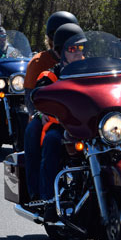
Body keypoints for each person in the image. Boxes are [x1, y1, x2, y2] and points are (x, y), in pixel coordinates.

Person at [29, 23, 86, 221]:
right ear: (61, 53)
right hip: (62, 127)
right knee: (52, 140)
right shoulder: (51, 75)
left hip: (90, 127)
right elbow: (39, 93)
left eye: (80, 48)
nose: (78, 53)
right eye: (72, 49)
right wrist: (41, 103)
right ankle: (49, 200)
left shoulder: (92, 70)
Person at [22, 11, 79, 198]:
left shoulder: (83, 62)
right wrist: (39, 112)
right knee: (33, 131)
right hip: (47, 115)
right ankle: (36, 194)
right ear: (52, 38)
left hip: (79, 119)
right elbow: (30, 96)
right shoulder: (39, 63)